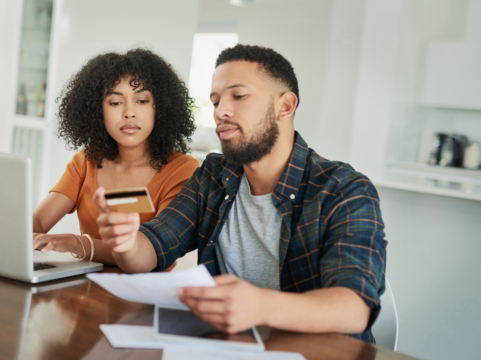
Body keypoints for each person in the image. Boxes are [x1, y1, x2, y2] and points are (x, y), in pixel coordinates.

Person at [94, 44, 387, 343]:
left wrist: (260, 306)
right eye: (216, 100)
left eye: (239, 95)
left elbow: (354, 308)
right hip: (229, 352)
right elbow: (153, 248)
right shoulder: (213, 176)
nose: (221, 111)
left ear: (284, 106)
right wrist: (127, 243)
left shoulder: (344, 189)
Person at [32, 49, 200, 268]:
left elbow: (153, 250)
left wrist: (78, 243)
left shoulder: (183, 169)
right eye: (115, 102)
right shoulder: (86, 160)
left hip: (144, 294)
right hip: (82, 289)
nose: (129, 112)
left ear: (160, 108)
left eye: (141, 100)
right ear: (96, 110)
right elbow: (39, 222)